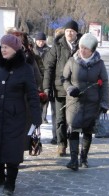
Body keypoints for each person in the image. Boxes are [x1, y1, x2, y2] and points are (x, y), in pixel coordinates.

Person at [0, 34, 42, 196]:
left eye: (6, 47)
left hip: (16, 115)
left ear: (15, 49)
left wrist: (36, 116)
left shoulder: (25, 69)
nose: (3, 49)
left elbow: (32, 94)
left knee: (12, 149)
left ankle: (10, 182)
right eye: (2, 46)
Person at [62, 33, 109, 171]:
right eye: (81, 47)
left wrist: (105, 102)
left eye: (86, 49)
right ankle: (73, 160)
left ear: (93, 50)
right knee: (73, 128)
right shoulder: (72, 61)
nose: (82, 50)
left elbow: (105, 83)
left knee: (88, 130)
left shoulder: (100, 64)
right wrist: (70, 88)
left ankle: (83, 158)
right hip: (74, 102)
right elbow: (64, 79)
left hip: (92, 103)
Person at [43, 20, 82, 156]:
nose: (69, 34)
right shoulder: (57, 46)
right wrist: (46, 87)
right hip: (59, 88)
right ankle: (61, 144)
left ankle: (73, 147)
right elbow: (49, 67)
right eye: (67, 31)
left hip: (77, 90)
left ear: (76, 33)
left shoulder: (82, 46)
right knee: (60, 119)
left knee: (73, 120)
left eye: (72, 31)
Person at [33, 32, 58, 145]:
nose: (40, 42)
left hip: (47, 79)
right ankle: (40, 118)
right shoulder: (32, 51)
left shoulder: (49, 51)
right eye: (39, 40)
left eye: (42, 40)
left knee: (46, 100)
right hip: (36, 80)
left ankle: (43, 117)